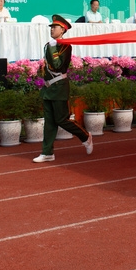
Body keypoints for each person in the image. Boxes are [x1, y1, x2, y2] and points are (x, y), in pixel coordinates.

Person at [33, 15, 92, 162]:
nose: (52, 29)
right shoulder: (48, 45)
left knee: (62, 119)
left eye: (55, 27)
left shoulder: (66, 46)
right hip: (48, 88)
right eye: (51, 27)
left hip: (59, 87)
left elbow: (58, 65)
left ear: (63, 30)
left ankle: (85, 136)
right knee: (49, 122)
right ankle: (47, 152)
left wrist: (53, 47)